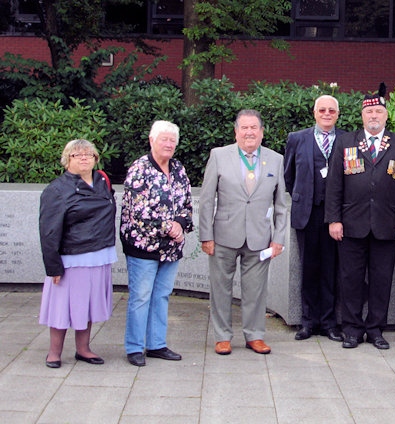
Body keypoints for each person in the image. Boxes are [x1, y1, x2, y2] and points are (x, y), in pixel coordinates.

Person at [325, 83, 395, 350]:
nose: (373, 116)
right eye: (369, 113)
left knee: (381, 279)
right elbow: (334, 184)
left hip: (387, 226)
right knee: (350, 278)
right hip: (351, 224)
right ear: (362, 117)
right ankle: (351, 329)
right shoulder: (346, 142)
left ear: (386, 115)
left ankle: (375, 328)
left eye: (378, 111)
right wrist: (334, 219)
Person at [199, 109, 287, 356]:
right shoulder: (218, 156)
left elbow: (281, 204)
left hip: (260, 238)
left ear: (261, 132)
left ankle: (255, 336)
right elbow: (206, 200)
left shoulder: (275, 159)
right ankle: (222, 336)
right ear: (236, 131)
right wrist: (206, 236)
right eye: (244, 128)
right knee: (220, 288)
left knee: (256, 291)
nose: (249, 132)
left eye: (254, 128)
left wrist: (278, 238)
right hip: (224, 236)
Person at [120, 120, 193, 367]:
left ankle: (156, 344)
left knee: (161, 295)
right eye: (164, 139)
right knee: (140, 297)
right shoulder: (139, 169)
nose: (169, 144)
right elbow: (138, 212)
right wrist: (170, 229)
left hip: (171, 248)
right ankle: (134, 347)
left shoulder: (178, 168)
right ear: (152, 140)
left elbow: (187, 204)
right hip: (143, 246)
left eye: (173, 140)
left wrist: (181, 224)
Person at [39, 139, 117, 368]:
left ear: (96, 158)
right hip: (72, 258)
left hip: (100, 254)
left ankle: (83, 349)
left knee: (89, 305)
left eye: (89, 154)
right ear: (67, 160)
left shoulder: (102, 180)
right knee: (62, 307)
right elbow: (49, 230)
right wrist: (53, 266)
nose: (84, 158)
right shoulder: (57, 189)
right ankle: (54, 353)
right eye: (77, 155)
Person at [284, 95, 344, 342]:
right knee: (308, 269)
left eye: (331, 110)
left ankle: (330, 323)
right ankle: (308, 322)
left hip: (335, 216)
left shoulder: (347, 140)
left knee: (331, 269)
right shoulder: (297, 139)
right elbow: (288, 175)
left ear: (337, 114)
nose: (327, 114)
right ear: (314, 112)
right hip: (307, 214)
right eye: (322, 110)